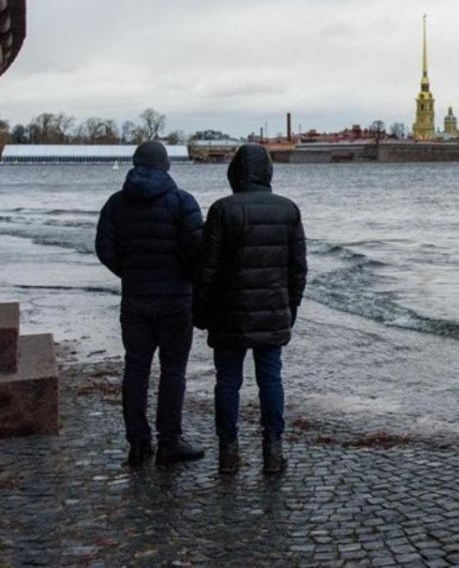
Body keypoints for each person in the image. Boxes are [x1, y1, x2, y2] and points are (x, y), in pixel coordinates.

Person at [193, 144, 306, 475]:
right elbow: (298, 268)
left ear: (235, 173)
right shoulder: (288, 210)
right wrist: (291, 307)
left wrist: (200, 312)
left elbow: (207, 269)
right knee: (270, 379)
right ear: (268, 172)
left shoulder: (222, 210)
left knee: (228, 382)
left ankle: (228, 452)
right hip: (272, 310)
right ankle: (273, 450)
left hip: (228, 313)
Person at [95, 140, 206, 467]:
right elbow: (197, 252)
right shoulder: (182, 202)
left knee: (136, 369)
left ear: (135, 163)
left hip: (135, 300)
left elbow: (104, 249)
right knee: (173, 371)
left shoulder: (115, 204)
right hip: (175, 302)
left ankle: (138, 444)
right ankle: (169, 442)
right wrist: (184, 278)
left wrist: (129, 272)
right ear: (165, 166)